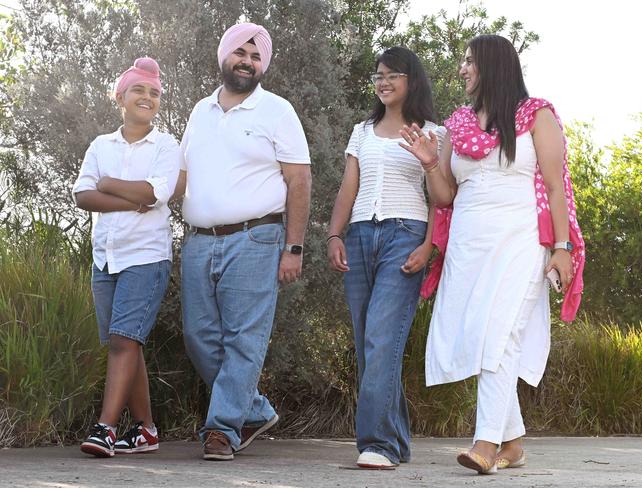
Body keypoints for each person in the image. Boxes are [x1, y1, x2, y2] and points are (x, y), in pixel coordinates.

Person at [400, 34, 584, 474]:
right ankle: (514, 443)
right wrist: (429, 162)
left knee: (501, 335)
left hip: (521, 240)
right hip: (469, 244)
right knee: (484, 336)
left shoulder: (536, 115)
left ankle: (486, 445)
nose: (461, 69)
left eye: (468, 61)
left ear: (493, 65)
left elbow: (556, 187)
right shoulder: (457, 124)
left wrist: (561, 249)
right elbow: (445, 195)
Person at [174, 22, 312, 461]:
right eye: (241, 53)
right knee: (199, 337)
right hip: (198, 241)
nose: (247, 62)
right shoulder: (200, 111)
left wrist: (294, 247)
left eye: (255, 57)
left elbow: (300, 179)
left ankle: (222, 429)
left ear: (262, 65)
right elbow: (181, 176)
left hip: (256, 239)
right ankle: (252, 408)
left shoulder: (277, 111)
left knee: (243, 340)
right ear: (224, 56)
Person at [327, 47, 445, 469]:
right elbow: (347, 187)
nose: (384, 81)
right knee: (367, 344)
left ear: (411, 80)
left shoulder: (434, 133)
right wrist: (334, 234)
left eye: (393, 74)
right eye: (378, 75)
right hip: (358, 237)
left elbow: (442, 199)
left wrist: (429, 245)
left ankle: (377, 443)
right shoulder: (362, 131)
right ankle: (395, 439)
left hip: (404, 235)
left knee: (381, 339)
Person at [73, 57, 180, 457]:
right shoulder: (101, 145)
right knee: (125, 345)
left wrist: (110, 185)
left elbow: (156, 194)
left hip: (146, 258)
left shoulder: (166, 145)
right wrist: (128, 198)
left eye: (154, 93)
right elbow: (82, 195)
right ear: (121, 96)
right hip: (106, 259)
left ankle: (106, 429)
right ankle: (147, 430)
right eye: (139, 90)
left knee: (123, 340)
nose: (147, 97)